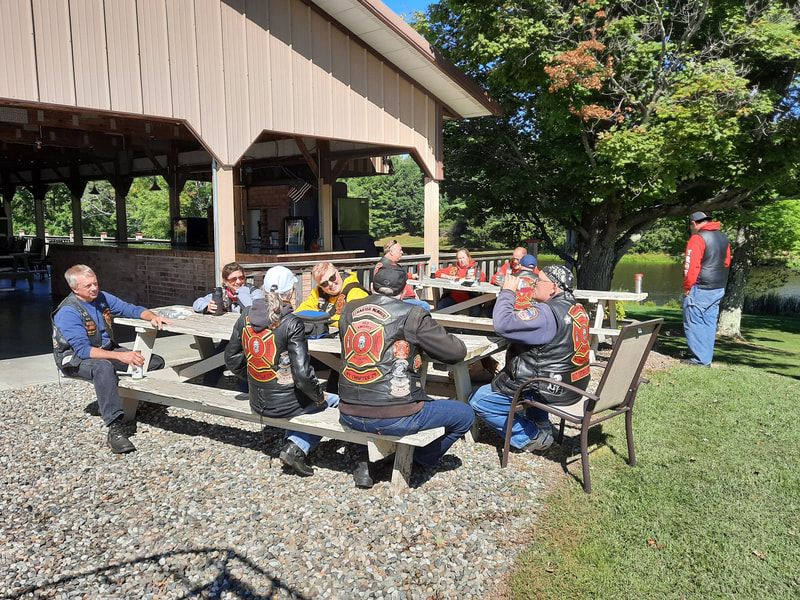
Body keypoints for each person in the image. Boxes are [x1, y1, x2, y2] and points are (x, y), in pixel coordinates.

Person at [337, 264, 475, 489]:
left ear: (371, 287)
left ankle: (367, 458)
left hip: (348, 412)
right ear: (404, 292)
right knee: (465, 414)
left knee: (372, 403)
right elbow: (455, 352)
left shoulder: (348, 309)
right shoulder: (413, 314)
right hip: (396, 415)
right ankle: (418, 459)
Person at [225, 266, 339, 477]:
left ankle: (295, 441)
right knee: (334, 401)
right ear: (291, 292)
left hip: (256, 401)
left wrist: (255, 378)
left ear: (264, 289)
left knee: (311, 397)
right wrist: (318, 396)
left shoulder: (246, 315)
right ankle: (298, 446)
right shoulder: (291, 322)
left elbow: (231, 359)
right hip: (286, 405)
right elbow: (303, 376)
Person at [52, 264, 173, 454]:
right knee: (103, 367)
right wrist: (121, 356)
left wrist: (152, 316)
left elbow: (129, 309)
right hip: (74, 359)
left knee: (152, 361)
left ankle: (136, 402)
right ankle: (115, 428)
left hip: (104, 349)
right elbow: (83, 351)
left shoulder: (101, 298)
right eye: (88, 286)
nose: (94, 288)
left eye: (95, 283)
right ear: (74, 288)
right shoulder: (68, 311)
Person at [469, 265, 591, 453]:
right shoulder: (577, 308)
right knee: (538, 371)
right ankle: (542, 424)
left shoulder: (546, 313)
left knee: (479, 400)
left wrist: (507, 292)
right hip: (570, 384)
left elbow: (503, 325)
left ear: (553, 287)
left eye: (539, 280)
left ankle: (533, 437)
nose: (534, 283)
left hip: (544, 387)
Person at [192, 262, 263, 389]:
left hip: (252, 339)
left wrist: (241, 292)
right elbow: (197, 303)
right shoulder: (222, 293)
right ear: (225, 282)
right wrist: (207, 307)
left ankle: (245, 392)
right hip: (230, 337)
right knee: (214, 360)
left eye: (241, 278)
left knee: (243, 362)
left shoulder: (253, 291)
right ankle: (207, 389)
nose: (238, 282)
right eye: (233, 279)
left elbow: (253, 309)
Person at [683, 211, 731, 367]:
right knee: (709, 323)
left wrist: (687, 286)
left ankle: (700, 360)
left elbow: (691, 266)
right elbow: (726, 263)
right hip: (718, 287)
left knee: (694, 322)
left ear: (694, 223)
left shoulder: (697, 238)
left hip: (700, 287)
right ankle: (706, 357)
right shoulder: (724, 238)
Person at [295, 261, 369, 327]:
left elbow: (354, 319)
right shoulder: (319, 291)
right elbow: (302, 312)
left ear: (337, 272)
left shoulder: (355, 292)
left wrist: (321, 318)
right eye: (324, 283)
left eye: (332, 278)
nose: (330, 284)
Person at [375, 239, 429, 311]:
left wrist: (412, 276)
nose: (402, 252)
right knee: (425, 306)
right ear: (391, 252)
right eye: (400, 250)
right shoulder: (389, 267)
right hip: (398, 299)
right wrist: (411, 295)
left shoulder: (384, 264)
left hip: (398, 298)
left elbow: (398, 276)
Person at [434, 248, 487, 316]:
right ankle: (450, 322)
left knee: (476, 311)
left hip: (471, 299)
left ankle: (467, 323)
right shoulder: (453, 269)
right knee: (441, 305)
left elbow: (482, 278)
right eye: (459, 258)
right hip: (454, 298)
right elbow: (438, 273)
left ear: (468, 257)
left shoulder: (474, 269)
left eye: (463, 257)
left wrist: (472, 278)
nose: (462, 260)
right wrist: (449, 277)